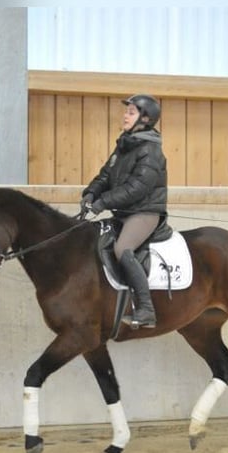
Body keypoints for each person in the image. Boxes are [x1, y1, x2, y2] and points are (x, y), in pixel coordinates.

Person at [80, 94, 168, 329]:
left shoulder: (150, 151)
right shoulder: (125, 144)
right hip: (123, 212)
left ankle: (146, 309)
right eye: (126, 111)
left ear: (145, 119)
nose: (125, 116)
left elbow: (137, 188)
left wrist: (103, 202)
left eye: (131, 112)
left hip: (145, 212)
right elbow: (106, 175)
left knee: (122, 249)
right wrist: (91, 193)